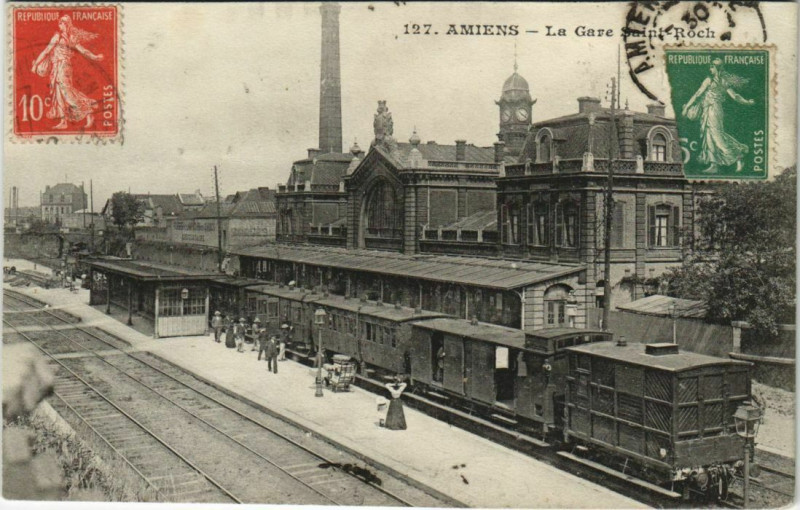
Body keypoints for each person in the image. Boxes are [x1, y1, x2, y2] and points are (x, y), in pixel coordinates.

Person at [681, 58, 755, 174]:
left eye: (712, 67)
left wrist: (686, 108)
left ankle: (738, 156)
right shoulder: (717, 81)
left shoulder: (714, 81)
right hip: (707, 110)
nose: (710, 69)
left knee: (717, 136)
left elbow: (734, 96)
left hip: (714, 110)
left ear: (717, 68)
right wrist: (747, 102)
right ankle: (713, 164)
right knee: (708, 135)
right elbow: (698, 94)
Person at [30, 15, 104, 130]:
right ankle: (63, 121)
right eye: (60, 23)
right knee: (59, 93)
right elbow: (47, 52)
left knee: (67, 93)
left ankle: (88, 109)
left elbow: (46, 52)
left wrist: (35, 65)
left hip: (62, 67)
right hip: (59, 67)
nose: (60, 25)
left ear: (66, 24)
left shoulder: (61, 37)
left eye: (62, 23)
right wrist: (95, 57)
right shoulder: (68, 37)